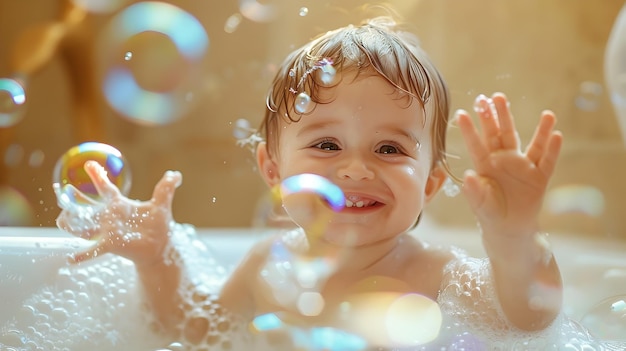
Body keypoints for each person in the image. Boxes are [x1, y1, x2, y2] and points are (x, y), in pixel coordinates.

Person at [55, 15, 566, 350]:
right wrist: (156, 260)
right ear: (273, 170)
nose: (355, 169)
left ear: (431, 184)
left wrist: (514, 237)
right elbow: (195, 331)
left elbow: (528, 318)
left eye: (390, 149)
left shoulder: (439, 274)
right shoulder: (264, 264)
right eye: (326, 145)